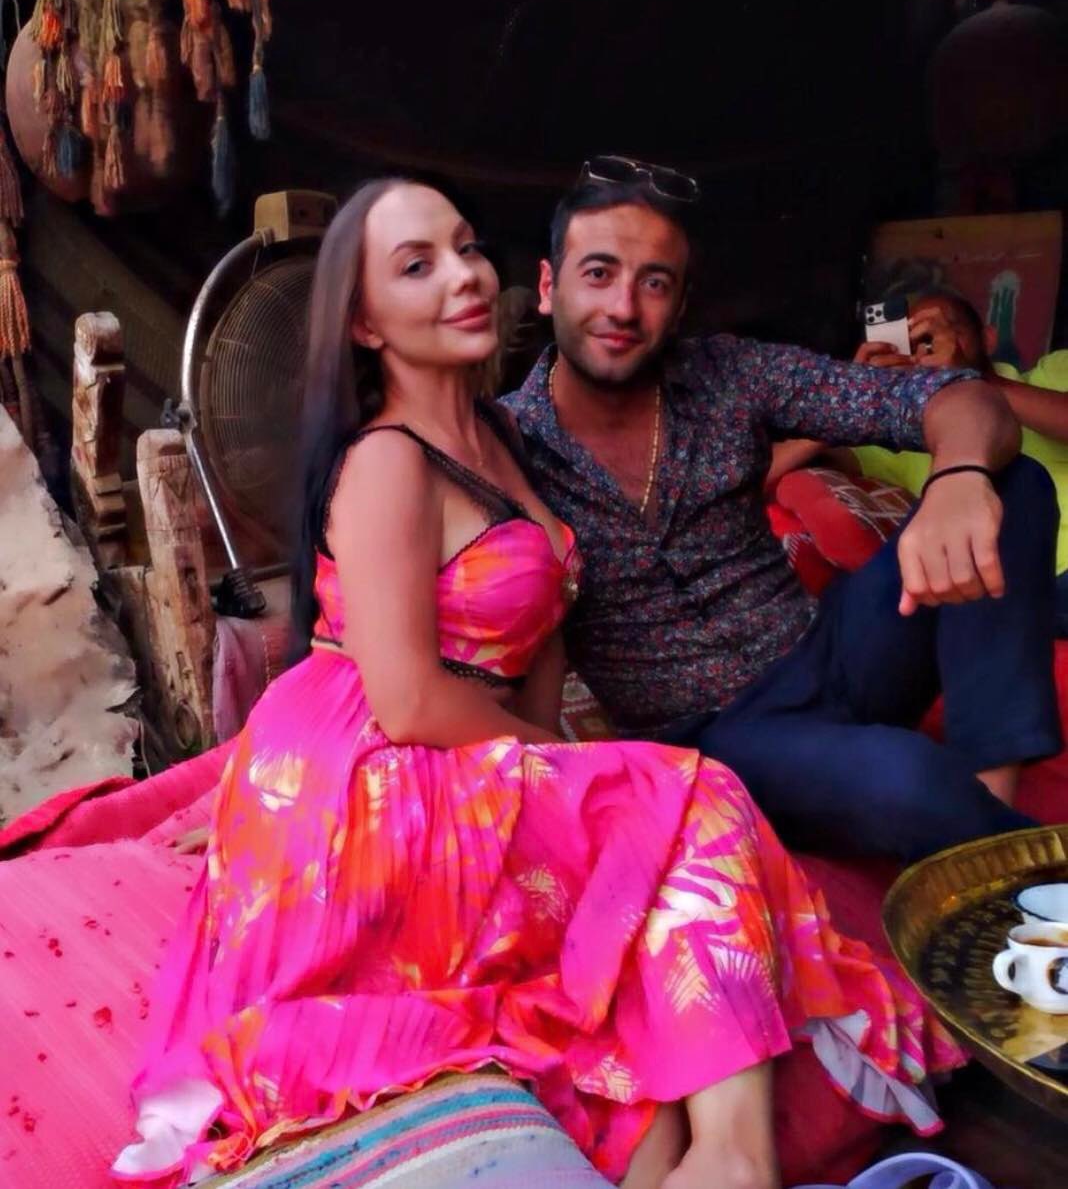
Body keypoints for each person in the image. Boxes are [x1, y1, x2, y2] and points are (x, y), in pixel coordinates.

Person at [62, 175, 966, 1189]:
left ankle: (705, 1156)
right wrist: (585, 770)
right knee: (691, 792)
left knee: (640, 864)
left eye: (466, 248)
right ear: (364, 323)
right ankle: (740, 1158)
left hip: (458, 746)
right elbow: (406, 696)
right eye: (418, 265)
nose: (463, 277)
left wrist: (579, 791)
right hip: (379, 764)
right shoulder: (387, 461)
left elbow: (536, 652)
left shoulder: (506, 437)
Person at [504, 156, 1060, 859]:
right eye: (598, 273)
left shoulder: (731, 374)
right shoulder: (505, 443)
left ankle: (990, 791)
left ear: (680, 304)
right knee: (908, 780)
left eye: (654, 282)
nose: (623, 307)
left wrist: (958, 476)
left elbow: (961, 399)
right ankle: (1020, 862)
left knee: (1012, 481)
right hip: (714, 736)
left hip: (829, 651)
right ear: (548, 286)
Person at [770, 289, 1068, 636]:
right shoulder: (900, 437)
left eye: (939, 333)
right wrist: (850, 399)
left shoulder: (1051, 373)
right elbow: (753, 476)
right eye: (909, 341)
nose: (925, 349)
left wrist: (974, 380)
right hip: (995, 599)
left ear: (987, 339)